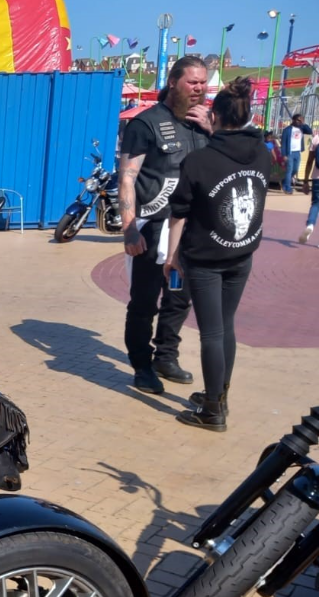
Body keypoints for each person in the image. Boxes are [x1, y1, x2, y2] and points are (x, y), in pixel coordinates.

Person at [164, 77, 271, 432]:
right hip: (242, 254)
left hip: (206, 258)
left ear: (215, 114)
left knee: (211, 332)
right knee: (226, 327)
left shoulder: (198, 161)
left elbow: (179, 212)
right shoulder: (262, 151)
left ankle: (212, 411)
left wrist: (172, 255)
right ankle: (218, 394)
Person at [117, 55, 211, 395]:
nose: (200, 88)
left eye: (203, 82)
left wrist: (212, 130)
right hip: (152, 229)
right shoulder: (146, 124)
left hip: (191, 230)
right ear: (173, 82)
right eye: (193, 82)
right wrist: (129, 228)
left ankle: (166, 356)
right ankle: (142, 365)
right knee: (144, 301)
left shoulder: (204, 123)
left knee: (178, 297)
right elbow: (126, 177)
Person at [281, 114, 313, 194]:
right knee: (289, 170)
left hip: (298, 152)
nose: (300, 122)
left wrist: (303, 123)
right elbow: (284, 143)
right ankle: (287, 188)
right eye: (298, 120)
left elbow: (310, 131)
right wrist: (284, 154)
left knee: (295, 169)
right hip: (290, 152)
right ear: (294, 120)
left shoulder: (301, 128)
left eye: (301, 120)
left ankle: (284, 181)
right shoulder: (287, 130)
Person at [301, 134, 319, 245]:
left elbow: (309, 161)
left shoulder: (316, 138)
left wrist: (306, 181)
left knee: (316, 204)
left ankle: (310, 225)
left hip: (317, 178)